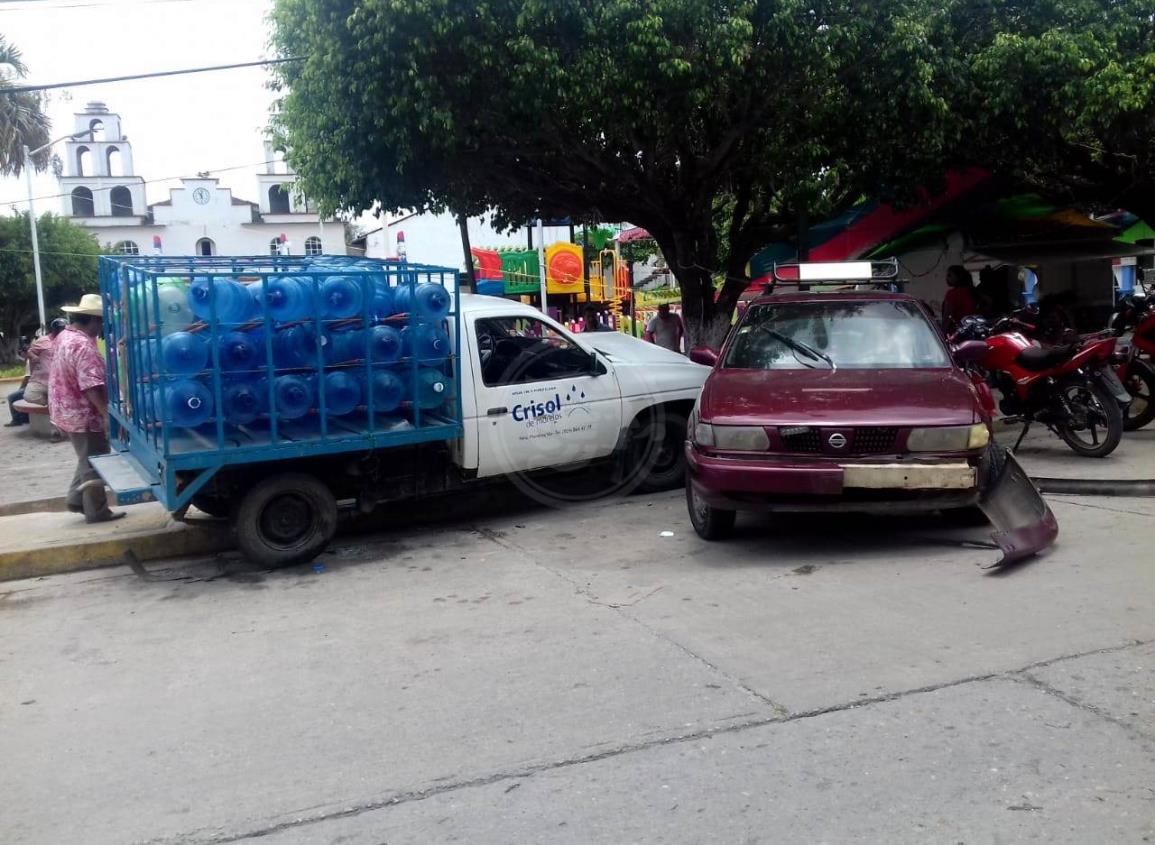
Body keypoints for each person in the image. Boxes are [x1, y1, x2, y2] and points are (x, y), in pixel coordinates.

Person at [50, 294, 123, 524]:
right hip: (83, 413)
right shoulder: (83, 346)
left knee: (86, 456)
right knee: (95, 459)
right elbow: (91, 386)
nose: (101, 327)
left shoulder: (65, 336)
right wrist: (105, 416)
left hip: (66, 410)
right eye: (100, 322)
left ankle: (75, 498)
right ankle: (97, 512)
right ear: (91, 320)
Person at [941, 265, 979, 333]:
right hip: (974, 329)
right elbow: (988, 302)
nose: (946, 278)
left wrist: (941, 332)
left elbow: (948, 316)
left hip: (959, 332)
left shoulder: (952, 294)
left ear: (958, 277)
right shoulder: (972, 290)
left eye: (949, 275)